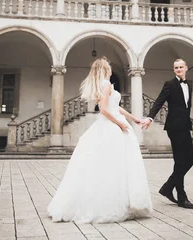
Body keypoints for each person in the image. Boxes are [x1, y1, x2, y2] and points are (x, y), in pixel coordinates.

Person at [48, 57, 153, 223]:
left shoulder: (105, 85)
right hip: (111, 126)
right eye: (109, 67)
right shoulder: (105, 84)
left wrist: (135, 119)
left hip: (114, 123)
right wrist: (120, 124)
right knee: (112, 165)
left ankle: (124, 201)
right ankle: (109, 203)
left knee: (118, 165)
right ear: (105, 68)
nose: (111, 69)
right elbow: (103, 110)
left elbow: (116, 107)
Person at [141, 58, 193, 209]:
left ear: (186, 68)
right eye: (176, 67)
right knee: (180, 162)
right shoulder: (170, 84)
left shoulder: (189, 85)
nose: (178, 69)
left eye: (180, 67)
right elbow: (159, 101)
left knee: (189, 161)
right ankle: (181, 197)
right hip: (174, 127)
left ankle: (167, 187)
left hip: (185, 126)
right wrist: (150, 117)